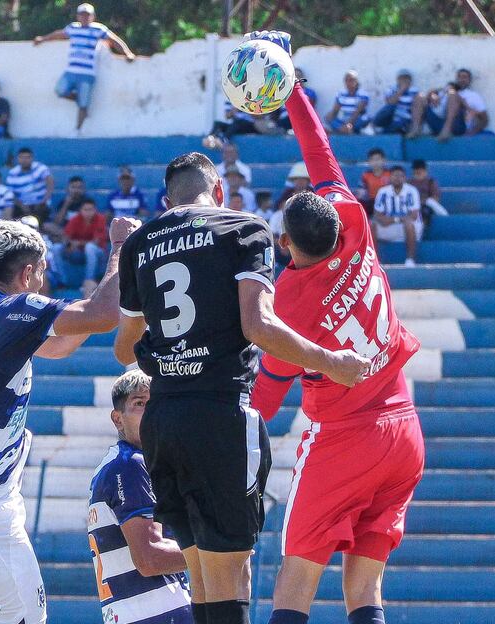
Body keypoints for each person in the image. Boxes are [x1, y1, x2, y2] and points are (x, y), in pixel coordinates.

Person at [113, 148, 369, 624]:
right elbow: (258, 326)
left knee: (201, 572)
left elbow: (124, 349)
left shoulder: (140, 244)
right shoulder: (242, 227)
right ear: (219, 191)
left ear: (168, 199)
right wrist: (331, 361)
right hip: (219, 412)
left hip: (163, 418)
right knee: (233, 573)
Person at [245, 30, 424, 624]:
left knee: (293, 585)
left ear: (286, 242)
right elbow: (322, 155)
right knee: (365, 593)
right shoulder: (353, 220)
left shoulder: (289, 301)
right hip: (403, 428)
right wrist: (292, 84)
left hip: (345, 439)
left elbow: (267, 398)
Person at [0, 215, 140, 624]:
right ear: (27, 272)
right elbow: (105, 314)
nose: (43, 281)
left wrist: (81, 317)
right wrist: (121, 247)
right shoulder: (11, 310)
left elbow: (58, 348)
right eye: (41, 272)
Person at [88, 370, 192, 624]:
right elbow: (150, 558)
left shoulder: (117, 464)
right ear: (118, 419)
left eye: (154, 403)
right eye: (139, 403)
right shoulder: (130, 465)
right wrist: (215, 552)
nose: (150, 410)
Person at [34, 3, 136, 130]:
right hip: (71, 71)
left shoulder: (98, 29)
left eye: (87, 15)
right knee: (60, 90)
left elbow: (114, 40)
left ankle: (78, 130)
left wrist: (127, 53)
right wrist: (43, 39)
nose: (85, 17)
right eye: (82, 15)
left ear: (93, 16)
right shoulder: (73, 28)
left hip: (87, 73)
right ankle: (78, 98)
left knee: (83, 105)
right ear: (78, 16)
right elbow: (59, 34)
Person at [407, 68, 489, 142]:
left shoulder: (473, 96)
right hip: (438, 124)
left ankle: (447, 130)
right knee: (420, 96)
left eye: (465, 77)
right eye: (459, 77)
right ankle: (415, 128)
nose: (462, 79)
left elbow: (484, 120)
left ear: (469, 80)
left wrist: (471, 133)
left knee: (453, 95)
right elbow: (427, 98)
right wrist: (432, 94)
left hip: (457, 126)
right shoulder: (445, 91)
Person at [54, 197, 109, 297]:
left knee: (90, 247)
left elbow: (96, 242)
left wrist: (77, 243)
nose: (88, 212)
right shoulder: (76, 219)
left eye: (91, 209)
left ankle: (88, 281)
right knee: (57, 248)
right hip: (78, 253)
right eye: (85, 210)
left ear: (95, 210)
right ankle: (62, 281)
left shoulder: (100, 219)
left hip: (98, 255)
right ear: (81, 210)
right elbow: (65, 237)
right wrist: (68, 245)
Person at [373, 166, 423, 266]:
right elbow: (378, 215)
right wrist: (398, 219)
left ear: (405, 178)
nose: (397, 178)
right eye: (395, 175)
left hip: (410, 228)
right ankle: (375, 261)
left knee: (409, 224)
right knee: (372, 225)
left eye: (401, 176)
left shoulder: (412, 191)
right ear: (390, 177)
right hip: (389, 226)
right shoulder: (383, 192)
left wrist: (391, 220)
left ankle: (410, 260)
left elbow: (413, 215)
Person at [6, 147, 54, 223]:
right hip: (22, 206)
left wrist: (44, 200)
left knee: (42, 213)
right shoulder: (13, 173)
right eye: (22, 157)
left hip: (40, 204)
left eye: (28, 157)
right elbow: (11, 194)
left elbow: (50, 182)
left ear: (32, 158)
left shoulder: (40, 168)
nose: (25, 160)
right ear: (18, 159)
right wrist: (22, 205)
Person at [324, 70, 371, 135]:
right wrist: (330, 118)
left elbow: (356, 113)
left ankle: (342, 130)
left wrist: (348, 125)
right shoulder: (341, 94)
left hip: (357, 120)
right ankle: (344, 130)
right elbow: (335, 111)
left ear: (356, 81)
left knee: (365, 119)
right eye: (346, 80)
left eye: (351, 80)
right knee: (328, 117)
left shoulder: (363, 94)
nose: (348, 82)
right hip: (344, 120)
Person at [373, 69, 418, 134]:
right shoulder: (391, 89)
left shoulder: (415, 90)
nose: (404, 80)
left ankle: (382, 133)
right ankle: (373, 126)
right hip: (390, 116)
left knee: (398, 124)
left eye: (406, 78)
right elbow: (389, 103)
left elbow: (416, 108)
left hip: (404, 117)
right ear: (398, 79)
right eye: (402, 78)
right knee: (389, 108)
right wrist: (401, 90)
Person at [409, 159, 447, 224]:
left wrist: (423, 202)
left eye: (419, 172)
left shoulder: (431, 182)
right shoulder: (408, 183)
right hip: (412, 206)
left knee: (427, 208)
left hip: (426, 206)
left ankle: (445, 219)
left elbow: (435, 198)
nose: (417, 174)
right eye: (415, 172)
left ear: (425, 171)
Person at [355, 148, 391, 216]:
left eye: (378, 159)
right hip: (372, 202)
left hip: (388, 202)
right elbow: (361, 192)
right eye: (372, 160)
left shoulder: (390, 174)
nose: (375, 162)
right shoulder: (366, 176)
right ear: (369, 162)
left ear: (384, 160)